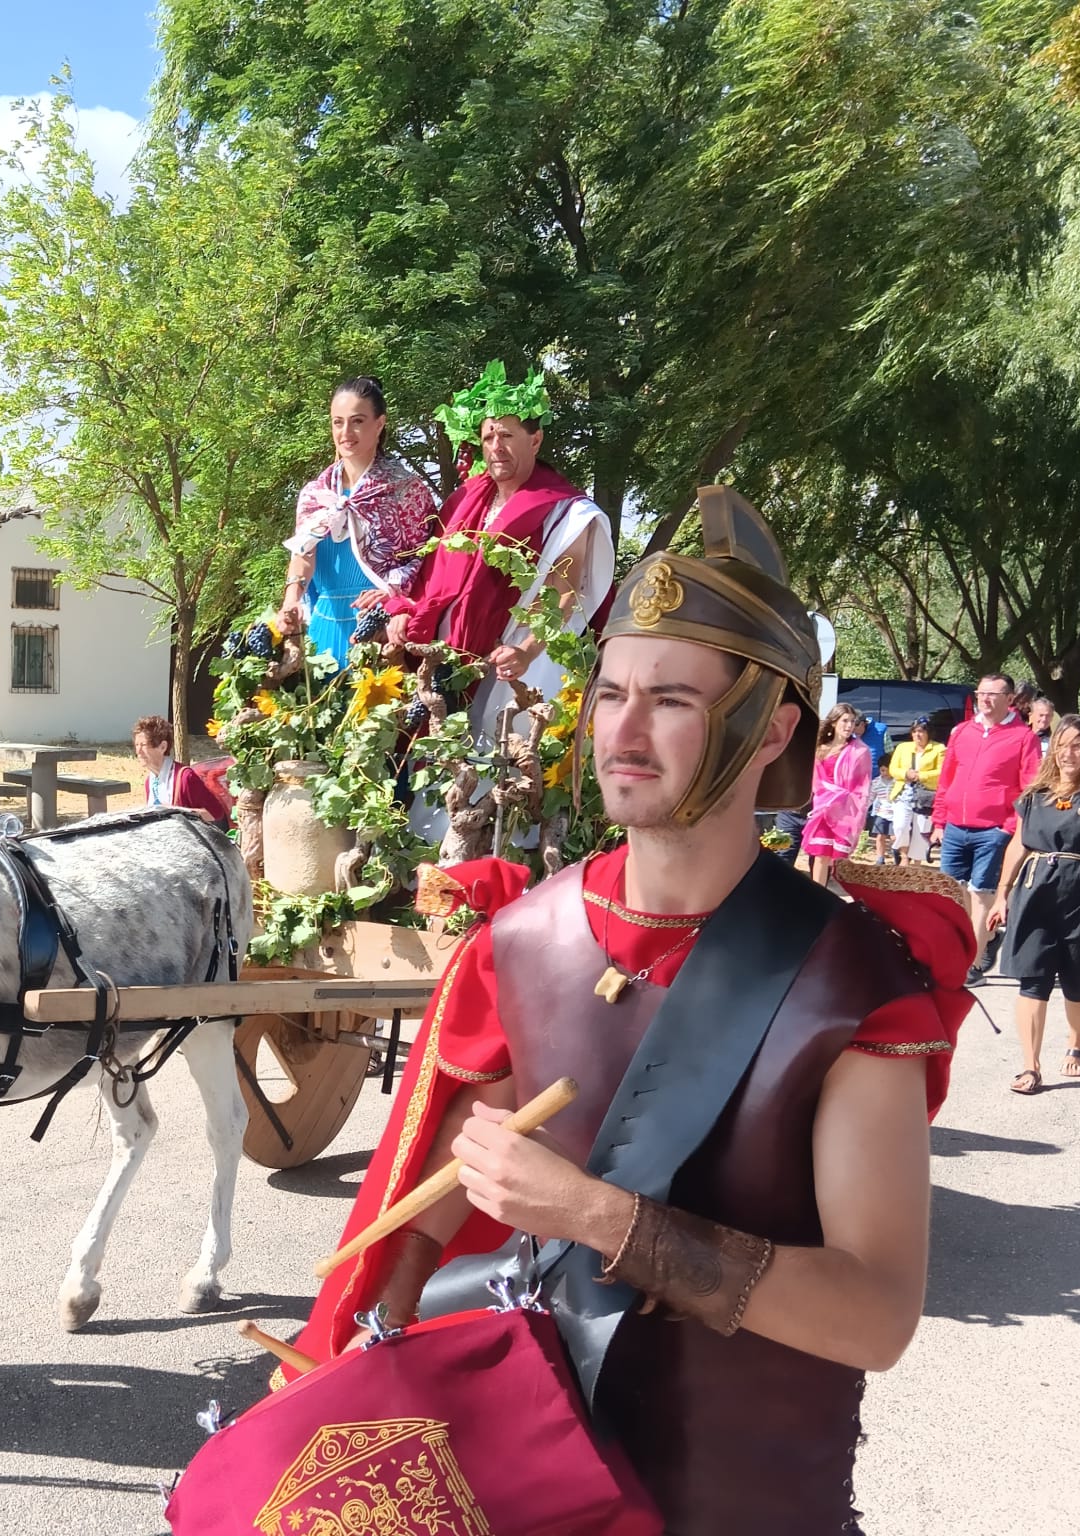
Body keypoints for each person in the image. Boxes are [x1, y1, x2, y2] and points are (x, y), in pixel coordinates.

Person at [295, 487, 972, 1535]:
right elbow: (421, 1225)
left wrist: (597, 1216)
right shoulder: (522, 947)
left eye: (672, 700)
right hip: (537, 1499)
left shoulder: (849, 985)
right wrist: (349, 1381)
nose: (625, 729)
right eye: (611, 694)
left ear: (769, 727)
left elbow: (876, 1315)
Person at [383, 363, 613, 731]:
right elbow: (429, 576)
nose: (495, 448)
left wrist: (526, 650)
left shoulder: (566, 511)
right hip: (444, 661)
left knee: (499, 773)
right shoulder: (465, 499)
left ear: (535, 440)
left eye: (506, 435)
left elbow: (564, 590)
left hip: (514, 662)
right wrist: (401, 607)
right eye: (488, 438)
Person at [279, 376, 438, 668]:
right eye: (337, 422)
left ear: (379, 424)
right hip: (322, 631)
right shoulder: (316, 494)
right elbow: (303, 554)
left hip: (378, 628)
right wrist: (291, 600)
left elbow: (427, 562)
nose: (345, 432)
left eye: (357, 421)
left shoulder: (407, 491)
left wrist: (392, 590)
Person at [989, 714, 1080, 1094]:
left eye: (1078, 744)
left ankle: (1076, 1042)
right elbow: (1019, 844)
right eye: (1062, 744)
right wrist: (1001, 894)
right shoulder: (1035, 795)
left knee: (1078, 982)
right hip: (1036, 889)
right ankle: (1031, 1067)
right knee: (1033, 978)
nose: (1068, 753)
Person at [934, 673, 1042, 982]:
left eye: (993, 694)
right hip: (955, 826)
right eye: (981, 693)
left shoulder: (1024, 738)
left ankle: (970, 967)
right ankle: (988, 939)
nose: (985, 699)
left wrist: (1008, 827)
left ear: (1010, 699)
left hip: (992, 830)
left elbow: (1028, 789)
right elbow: (947, 779)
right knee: (953, 894)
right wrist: (940, 820)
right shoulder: (961, 732)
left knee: (981, 895)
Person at [800, 703, 872, 882]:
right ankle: (817, 896)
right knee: (821, 856)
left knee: (839, 859)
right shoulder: (820, 749)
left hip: (845, 812)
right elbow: (815, 781)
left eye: (852, 721)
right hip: (823, 810)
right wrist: (826, 797)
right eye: (845, 721)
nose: (849, 725)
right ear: (833, 722)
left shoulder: (860, 751)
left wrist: (852, 805)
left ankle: (834, 900)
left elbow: (863, 786)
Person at [132, 714, 230, 829]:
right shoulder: (150, 781)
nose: (138, 751)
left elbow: (216, 813)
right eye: (137, 745)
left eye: (143, 745)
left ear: (162, 747)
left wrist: (177, 812)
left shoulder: (185, 777)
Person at [887, 716, 945, 865]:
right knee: (900, 826)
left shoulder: (939, 749)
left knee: (921, 830)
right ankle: (904, 856)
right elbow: (893, 769)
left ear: (928, 733)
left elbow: (943, 772)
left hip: (925, 795)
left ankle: (917, 862)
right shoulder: (902, 747)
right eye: (914, 731)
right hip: (904, 793)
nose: (917, 735)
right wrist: (906, 774)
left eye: (921, 731)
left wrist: (921, 776)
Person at [1027, 695, 1055, 760]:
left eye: (1048, 716)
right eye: (1041, 715)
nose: (1044, 719)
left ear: (1052, 717)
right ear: (1031, 715)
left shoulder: (1055, 742)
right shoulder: (1021, 737)